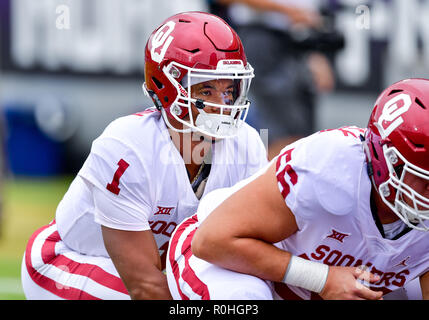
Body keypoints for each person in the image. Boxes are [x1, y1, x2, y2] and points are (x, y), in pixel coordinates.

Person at [21, 11, 268, 300]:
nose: (223, 104)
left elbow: (250, 252)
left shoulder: (247, 144)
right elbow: (145, 286)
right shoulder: (127, 147)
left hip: (143, 272)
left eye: (230, 88)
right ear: (167, 89)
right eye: (207, 89)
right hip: (66, 259)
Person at [167, 78, 429, 300]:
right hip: (224, 257)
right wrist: (322, 279)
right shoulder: (329, 167)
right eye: (425, 179)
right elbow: (212, 241)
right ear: (386, 163)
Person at [208, 0, 337, 159]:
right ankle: (267, 182)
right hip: (264, 35)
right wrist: (286, 10)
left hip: (299, 40)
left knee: (302, 136)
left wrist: (315, 52)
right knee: (282, 137)